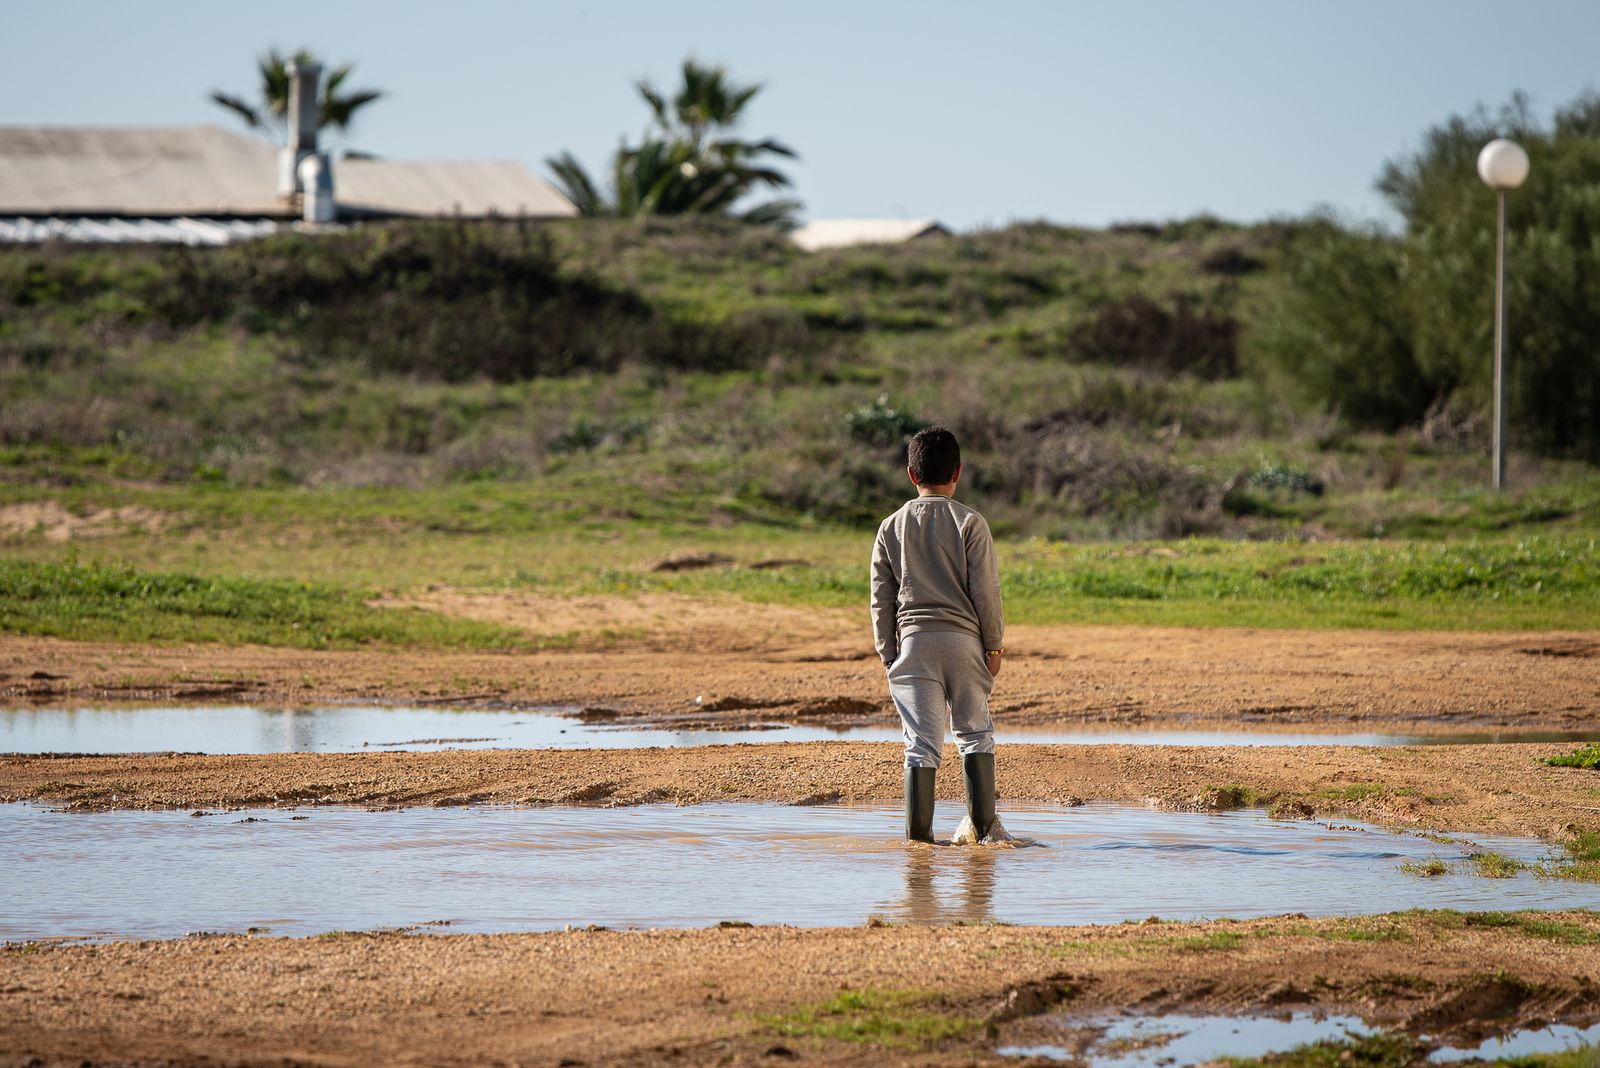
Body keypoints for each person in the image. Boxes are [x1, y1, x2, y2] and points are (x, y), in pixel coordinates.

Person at [870, 426, 1005, 844]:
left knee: (920, 745)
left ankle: (918, 846)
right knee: (974, 735)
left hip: (913, 644)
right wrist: (994, 644)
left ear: (911, 474)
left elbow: (882, 595)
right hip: (965, 644)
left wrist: (887, 651)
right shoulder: (970, 521)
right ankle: (985, 837)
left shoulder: (890, 525)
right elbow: (985, 590)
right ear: (958, 472)